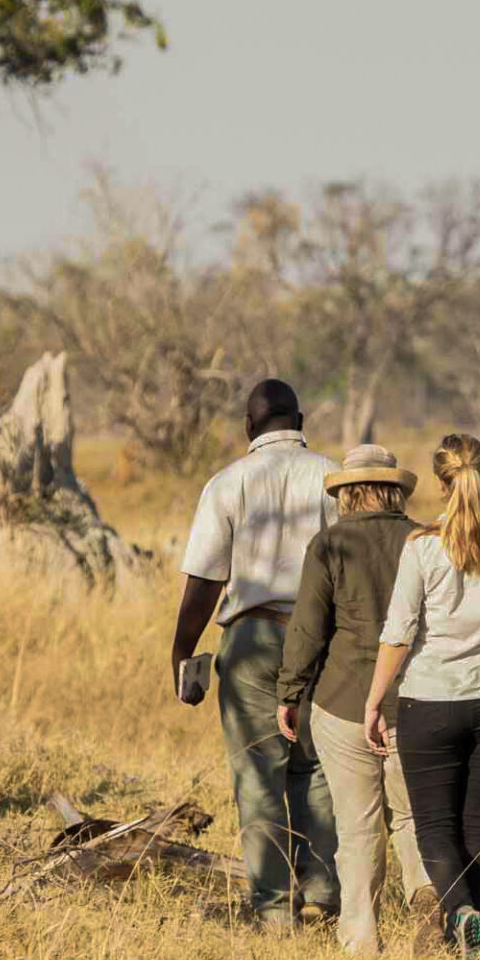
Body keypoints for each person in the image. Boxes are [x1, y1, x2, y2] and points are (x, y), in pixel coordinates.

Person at [363, 433, 480, 960]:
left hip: (430, 702)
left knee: (435, 829)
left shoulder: (421, 549)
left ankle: (462, 914)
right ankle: (468, 935)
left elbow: (398, 633)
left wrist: (375, 701)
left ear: (442, 484)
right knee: (477, 827)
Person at [171, 379, 340, 931]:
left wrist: (183, 649)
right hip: (321, 638)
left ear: (249, 426)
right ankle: (323, 891)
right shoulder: (333, 477)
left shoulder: (226, 483)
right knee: (317, 767)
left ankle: (272, 910)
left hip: (249, 640)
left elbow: (204, 579)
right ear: (302, 417)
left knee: (258, 776)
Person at [275, 445, 435, 955]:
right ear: (394, 489)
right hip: (418, 702)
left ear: (347, 492)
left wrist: (289, 691)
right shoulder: (425, 539)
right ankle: (428, 901)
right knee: (414, 817)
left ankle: (361, 938)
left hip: (344, 701)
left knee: (358, 826)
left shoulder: (329, 544)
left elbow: (307, 630)